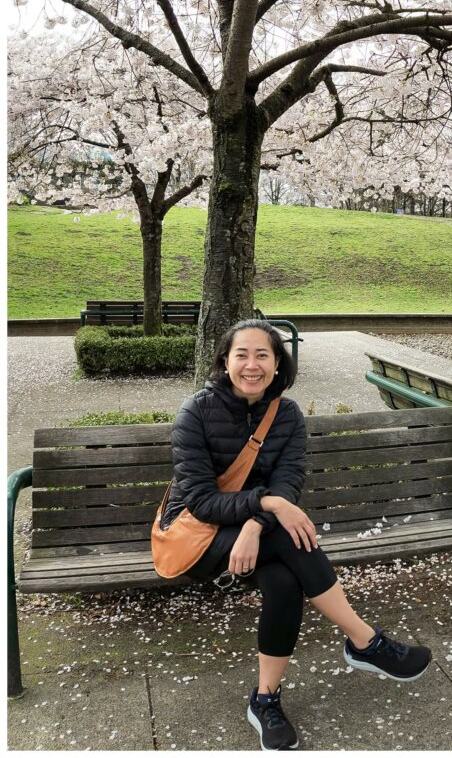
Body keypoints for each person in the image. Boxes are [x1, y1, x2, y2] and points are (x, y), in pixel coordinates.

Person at [165, 318, 432, 751]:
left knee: (286, 583)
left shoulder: (285, 414)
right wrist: (266, 506)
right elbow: (200, 501)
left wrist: (254, 525)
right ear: (224, 361)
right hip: (200, 541)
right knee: (293, 536)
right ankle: (365, 642)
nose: (252, 365)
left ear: (277, 363)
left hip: (258, 538)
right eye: (242, 354)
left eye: (262, 355)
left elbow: (288, 484)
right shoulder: (196, 411)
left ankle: (265, 699)